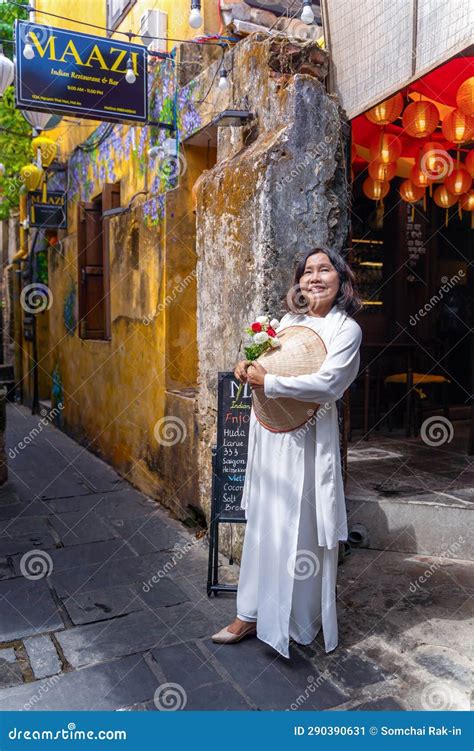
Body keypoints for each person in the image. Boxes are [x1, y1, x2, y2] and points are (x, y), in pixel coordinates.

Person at [211, 248, 363, 659]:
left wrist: (270, 380)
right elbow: (258, 362)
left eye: (324, 270)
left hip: (308, 440)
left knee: (301, 527)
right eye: (307, 271)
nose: (315, 278)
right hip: (270, 433)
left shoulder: (345, 330)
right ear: (298, 281)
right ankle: (250, 612)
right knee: (264, 522)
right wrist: (246, 366)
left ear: (340, 279)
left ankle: (298, 620)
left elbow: (329, 384)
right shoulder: (285, 323)